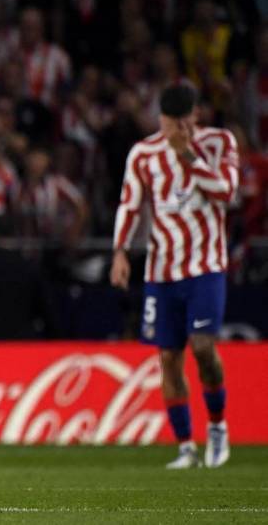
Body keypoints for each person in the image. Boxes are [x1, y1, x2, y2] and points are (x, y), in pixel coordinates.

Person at [111, 84, 239, 469]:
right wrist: (120, 252)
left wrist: (187, 156)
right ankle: (186, 447)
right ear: (161, 119)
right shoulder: (143, 153)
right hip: (161, 271)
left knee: (202, 347)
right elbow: (129, 204)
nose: (177, 128)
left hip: (206, 267)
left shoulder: (218, 143)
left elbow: (227, 192)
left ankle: (217, 426)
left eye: (184, 121)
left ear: (195, 116)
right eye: (170, 122)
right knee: (168, 357)